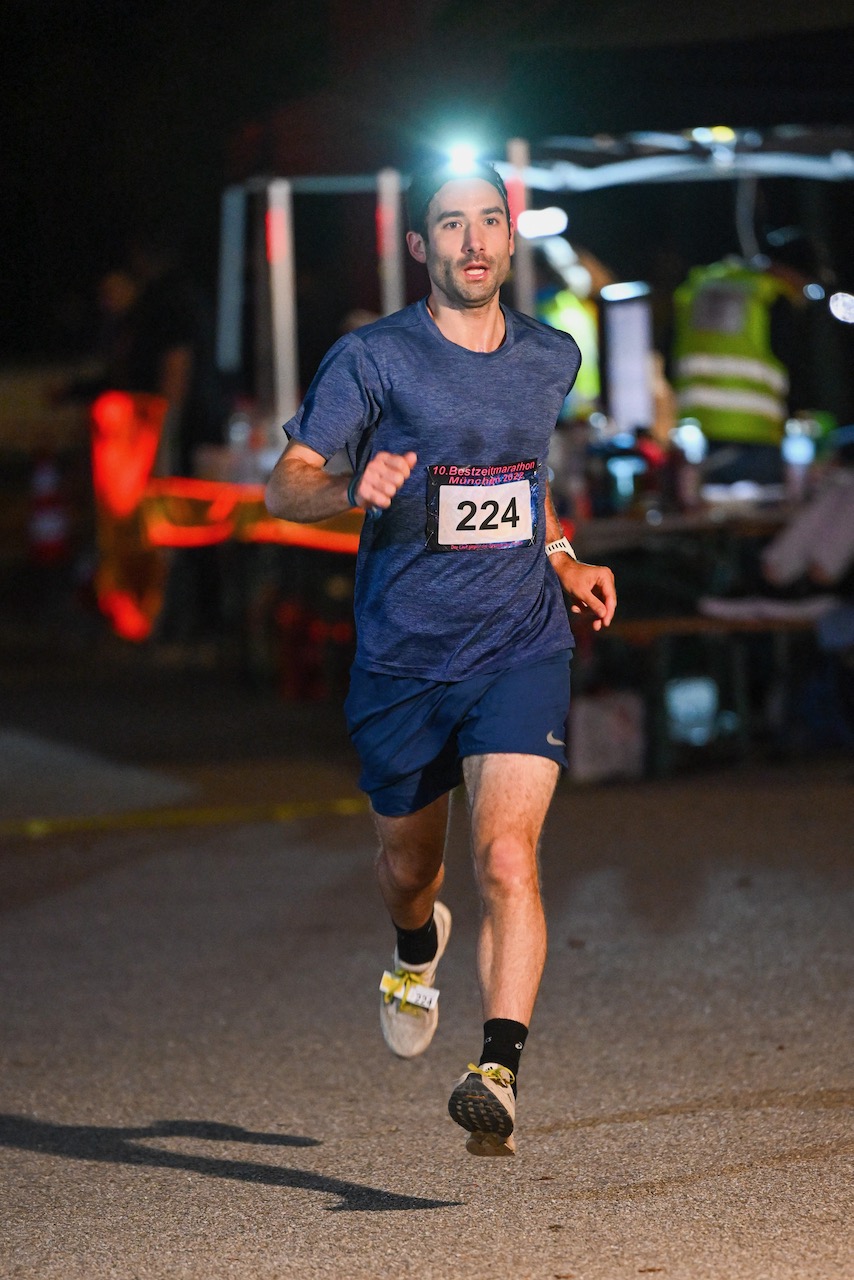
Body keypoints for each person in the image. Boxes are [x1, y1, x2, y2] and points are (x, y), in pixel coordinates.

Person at [265, 158, 616, 1156]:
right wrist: (345, 487)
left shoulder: (551, 354)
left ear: (510, 238)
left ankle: (495, 1065)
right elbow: (279, 488)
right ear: (418, 245)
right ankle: (414, 945)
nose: (471, 240)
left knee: (508, 854)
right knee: (406, 866)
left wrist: (559, 553)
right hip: (403, 657)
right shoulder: (372, 360)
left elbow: (522, 477)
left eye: (487, 221)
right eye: (448, 224)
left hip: (518, 642)